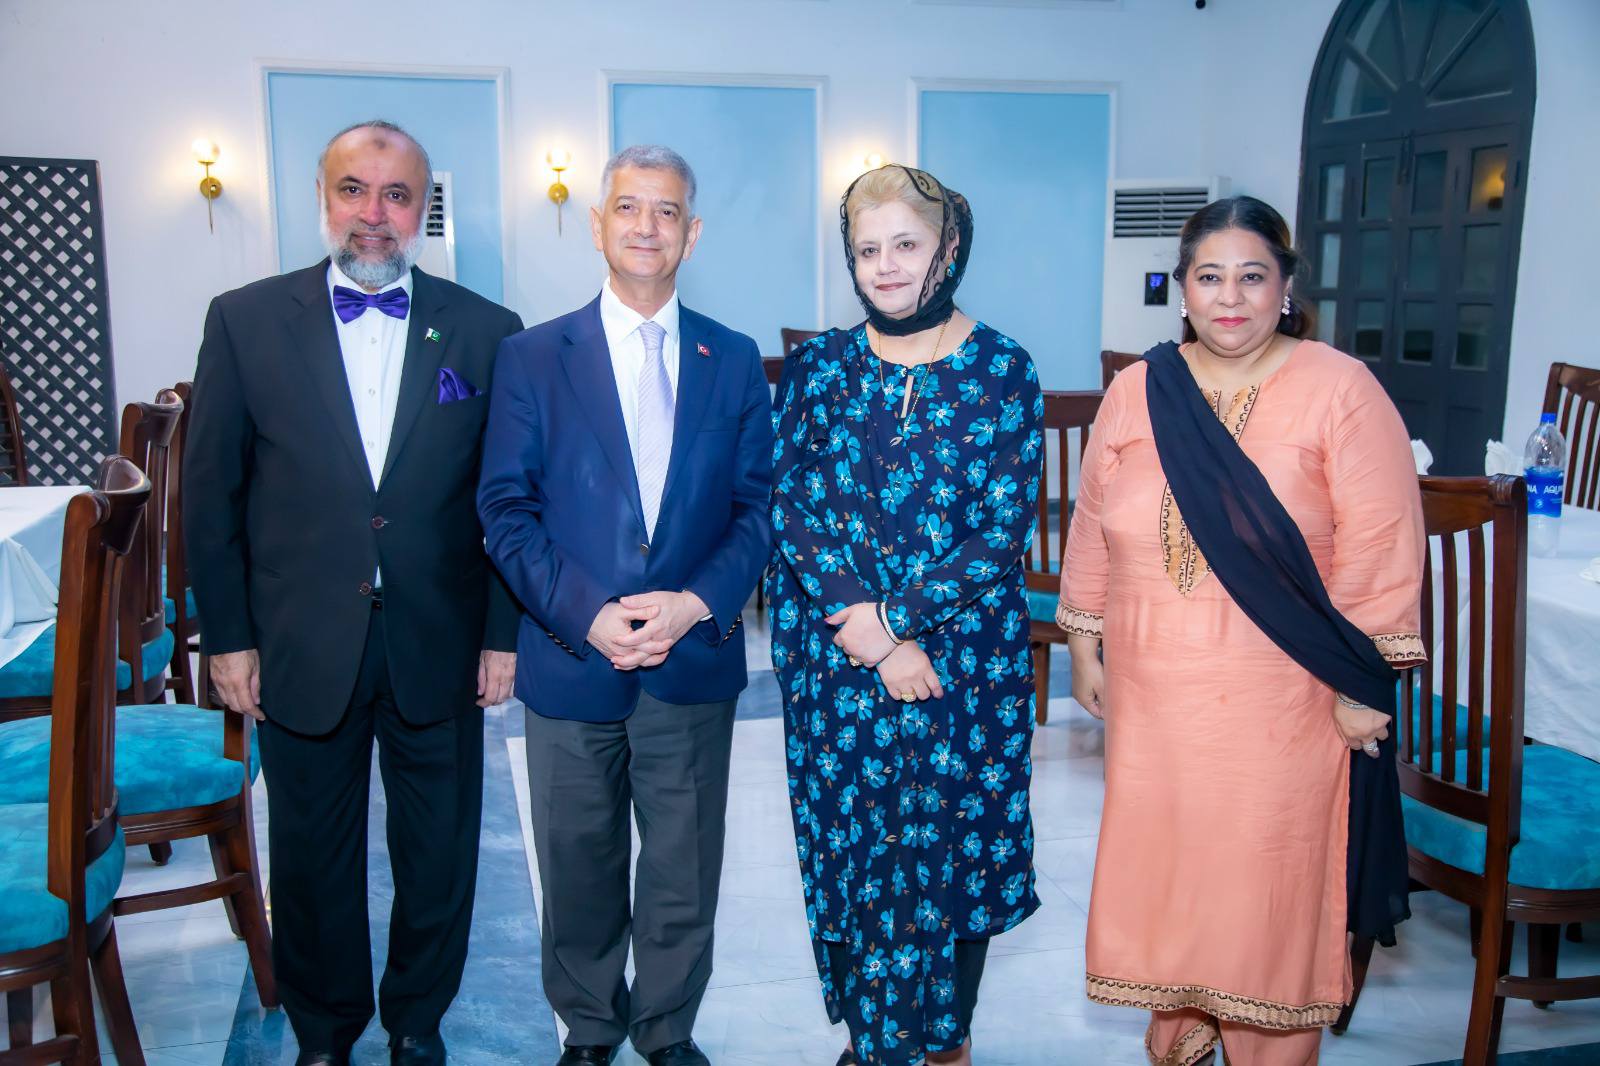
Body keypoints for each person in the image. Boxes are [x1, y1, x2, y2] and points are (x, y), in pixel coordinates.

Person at [184, 121, 523, 1066]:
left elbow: (504, 501)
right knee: (310, 856)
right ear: (323, 197)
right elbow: (211, 497)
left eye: (396, 195)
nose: (374, 214)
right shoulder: (244, 320)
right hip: (298, 639)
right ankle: (325, 1033)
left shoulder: (488, 330)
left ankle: (417, 1022)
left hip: (439, 637)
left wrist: (502, 635)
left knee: (440, 854)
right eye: (353, 190)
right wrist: (227, 637)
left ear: (423, 208)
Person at [1059, 195, 1425, 1065]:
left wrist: (1363, 685)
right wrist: (1082, 638)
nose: (1230, 298)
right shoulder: (1140, 390)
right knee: (1174, 886)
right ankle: (1182, 1040)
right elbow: (1093, 517)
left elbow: (1382, 541)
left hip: (1284, 707)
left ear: (1286, 287)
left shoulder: (1341, 389)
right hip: (1155, 703)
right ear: (1183, 290)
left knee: (1265, 896)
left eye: (1252, 277)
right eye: (1210, 277)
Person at [477, 144, 772, 1066]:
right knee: (577, 862)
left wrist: (695, 604)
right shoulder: (532, 356)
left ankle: (668, 1028)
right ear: (597, 223)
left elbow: (758, 508)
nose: (648, 227)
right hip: (572, 656)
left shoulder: (734, 359)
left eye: (667, 210)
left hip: (691, 656)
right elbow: (505, 509)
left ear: (693, 231)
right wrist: (587, 615)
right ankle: (591, 1027)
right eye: (630, 208)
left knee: (684, 864)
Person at [768, 164, 1044, 1066]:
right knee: (857, 853)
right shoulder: (819, 366)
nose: (885, 266)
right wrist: (867, 628)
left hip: (963, 666)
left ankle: (945, 1039)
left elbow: (1002, 528)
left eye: (906, 245)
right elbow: (791, 504)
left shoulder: (1003, 368)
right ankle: (871, 1040)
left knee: (954, 852)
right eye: (867, 249)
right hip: (840, 663)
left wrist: (898, 623)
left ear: (948, 248)